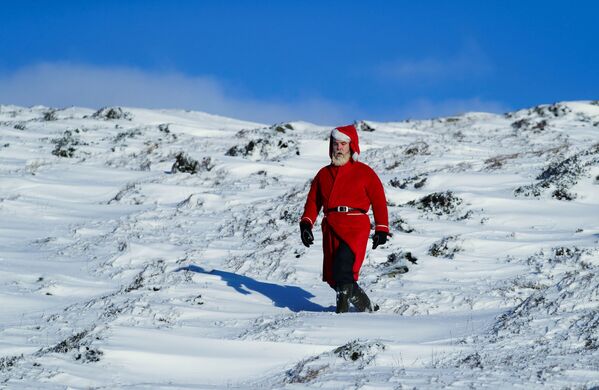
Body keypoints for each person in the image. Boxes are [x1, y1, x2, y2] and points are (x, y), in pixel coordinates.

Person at [300, 124, 391, 313]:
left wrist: (381, 229)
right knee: (336, 276)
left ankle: (341, 315)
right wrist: (306, 224)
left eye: (343, 143)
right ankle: (367, 308)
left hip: (355, 226)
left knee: (343, 267)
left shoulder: (364, 172)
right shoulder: (323, 174)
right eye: (336, 144)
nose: (339, 148)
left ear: (351, 146)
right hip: (331, 227)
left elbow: (379, 200)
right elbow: (313, 202)